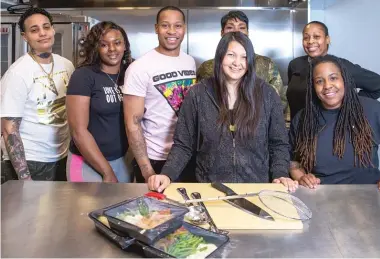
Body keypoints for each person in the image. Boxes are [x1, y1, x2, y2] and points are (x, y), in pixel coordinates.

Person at [148, 31, 298, 193]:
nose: (237, 63)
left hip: (256, 188)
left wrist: (280, 173)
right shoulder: (198, 94)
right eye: (231, 55)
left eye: (244, 57)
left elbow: (279, 143)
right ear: (220, 57)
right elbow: (183, 145)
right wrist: (167, 174)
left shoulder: (267, 94)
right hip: (209, 188)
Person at [289, 55, 380, 195]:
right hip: (320, 197)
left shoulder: (373, 110)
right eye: (319, 81)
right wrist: (301, 177)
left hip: (368, 197)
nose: (327, 86)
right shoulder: (303, 118)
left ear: (345, 80)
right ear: (313, 86)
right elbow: (293, 162)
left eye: (333, 78)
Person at [123, 6, 197, 183]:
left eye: (177, 26)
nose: (172, 31)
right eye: (165, 25)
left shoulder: (190, 62)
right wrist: (147, 170)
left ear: (184, 29)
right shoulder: (139, 67)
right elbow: (132, 123)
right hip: (157, 159)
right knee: (157, 211)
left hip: (187, 155)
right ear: (156, 28)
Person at [1, 8, 74, 182]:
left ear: (53, 30)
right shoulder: (18, 73)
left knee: (58, 209)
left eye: (46, 27)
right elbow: (9, 129)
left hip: (61, 156)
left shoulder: (66, 65)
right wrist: (25, 179)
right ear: (25, 36)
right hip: (30, 160)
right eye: (34, 30)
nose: (42, 33)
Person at [65, 21, 133, 182]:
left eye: (117, 43)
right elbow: (78, 131)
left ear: (125, 46)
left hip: (122, 160)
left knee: (123, 207)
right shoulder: (83, 76)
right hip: (88, 163)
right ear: (96, 48)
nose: (112, 49)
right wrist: (107, 172)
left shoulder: (130, 73)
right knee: (88, 208)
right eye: (104, 44)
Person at [196, 10, 289, 123]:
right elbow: (199, 102)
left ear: (247, 32)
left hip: (255, 128)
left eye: (241, 27)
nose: (236, 32)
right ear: (222, 32)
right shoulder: (207, 67)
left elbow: (278, 101)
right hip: (217, 127)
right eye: (230, 27)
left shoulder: (266, 64)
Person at [287, 21, 380, 121]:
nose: (310, 41)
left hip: (329, 131)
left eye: (317, 37)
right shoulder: (295, 64)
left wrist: (351, 102)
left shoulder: (341, 66)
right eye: (306, 38)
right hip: (298, 130)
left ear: (327, 39)